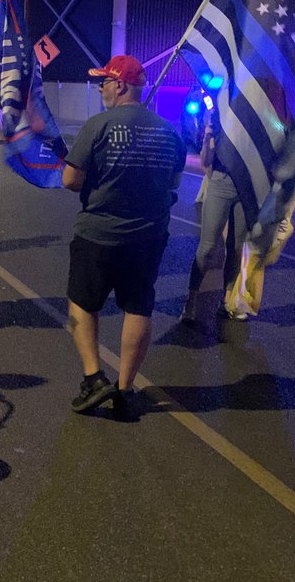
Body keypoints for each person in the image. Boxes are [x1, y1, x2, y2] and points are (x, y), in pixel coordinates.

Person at [63, 55, 184, 418]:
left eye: (104, 81)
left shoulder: (99, 125)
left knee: (82, 304)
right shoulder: (169, 131)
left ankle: (93, 378)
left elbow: (71, 179)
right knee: (138, 306)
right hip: (148, 236)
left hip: (98, 233)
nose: (100, 88)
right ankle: (125, 388)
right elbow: (174, 184)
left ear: (120, 85)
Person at [182, 110, 247, 323]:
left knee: (236, 247)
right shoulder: (220, 121)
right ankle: (191, 301)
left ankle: (227, 300)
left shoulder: (252, 125)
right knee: (207, 247)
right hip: (220, 182)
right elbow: (206, 163)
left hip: (245, 189)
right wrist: (209, 136)